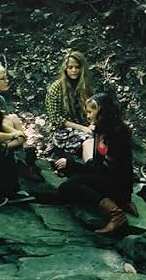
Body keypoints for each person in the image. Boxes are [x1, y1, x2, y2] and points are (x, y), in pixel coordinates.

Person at [55, 93, 135, 234]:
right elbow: (96, 166)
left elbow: (122, 171)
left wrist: (126, 199)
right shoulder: (100, 129)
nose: (87, 116)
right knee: (67, 180)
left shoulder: (119, 133)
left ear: (102, 111)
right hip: (104, 176)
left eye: (90, 112)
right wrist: (70, 167)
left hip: (116, 182)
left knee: (69, 185)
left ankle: (116, 214)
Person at [44, 51, 95, 162]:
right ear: (65, 69)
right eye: (70, 67)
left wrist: (91, 124)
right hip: (62, 132)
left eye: (77, 67)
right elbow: (56, 118)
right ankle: (91, 168)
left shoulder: (85, 86)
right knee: (89, 139)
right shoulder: (56, 87)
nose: (74, 70)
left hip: (83, 126)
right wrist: (83, 128)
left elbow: (91, 110)